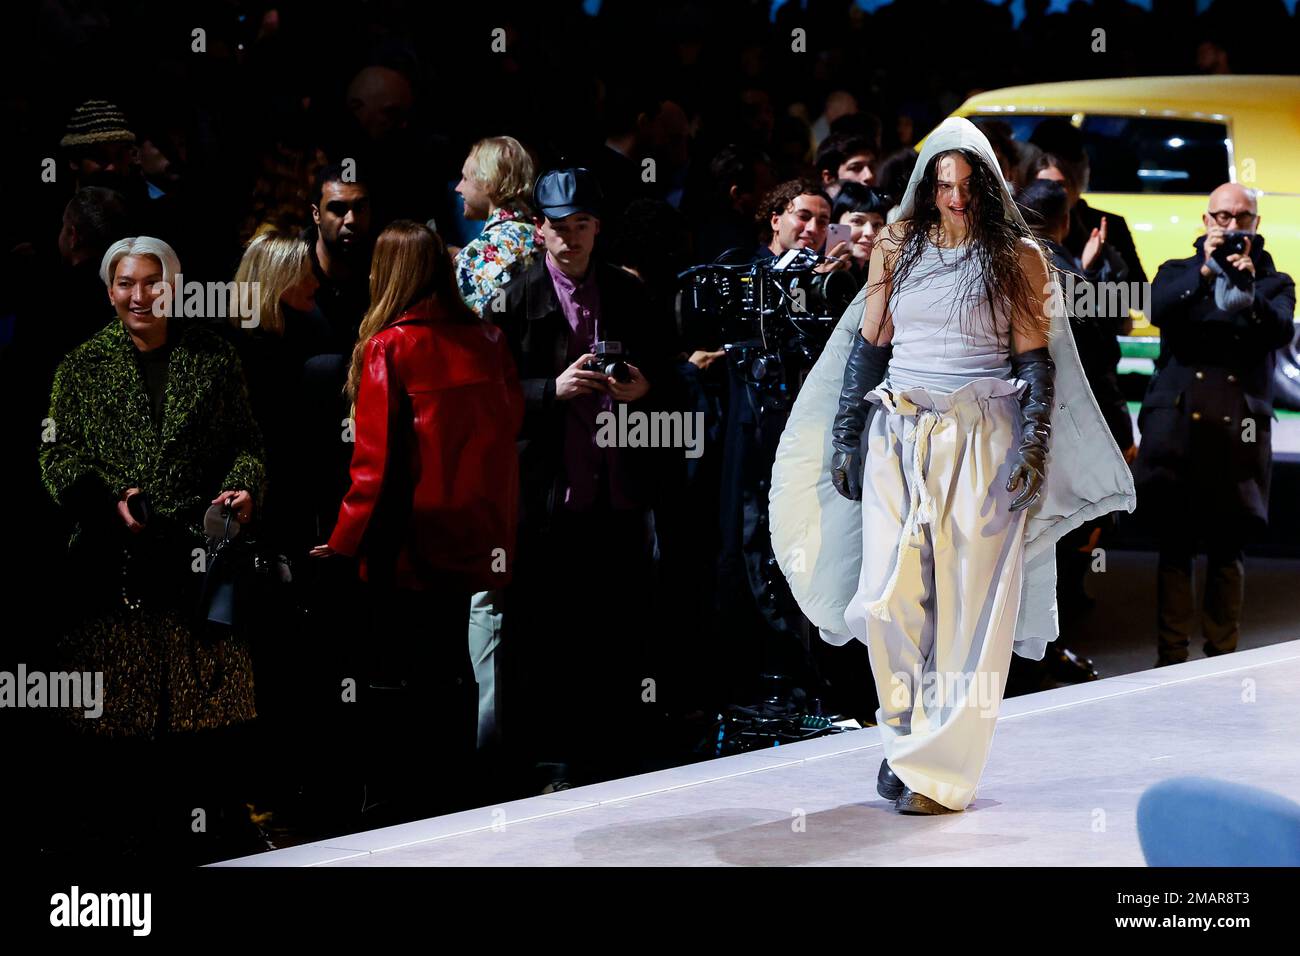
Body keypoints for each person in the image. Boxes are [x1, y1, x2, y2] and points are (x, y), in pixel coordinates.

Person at [768, 118, 1135, 814]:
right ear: (926, 187)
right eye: (944, 186)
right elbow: (869, 343)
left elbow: (1035, 359)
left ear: (989, 186)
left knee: (971, 616)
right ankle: (906, 740)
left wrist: (1030, 445)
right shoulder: (898, 246)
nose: (957, 198)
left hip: (983, 440)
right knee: (886, 602)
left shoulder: (1017, 257)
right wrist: (848, 432)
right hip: (897, 435)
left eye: (968, 186)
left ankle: (939, 773)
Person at [40, 236, 267, 858]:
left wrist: (243, 488)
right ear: (109, 289)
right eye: (125, 283)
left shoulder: (215, 359)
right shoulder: (79, 367)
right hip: (114, 573)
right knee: (119, 732)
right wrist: (105, 500)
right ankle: (124, 855)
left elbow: (246, 444)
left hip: (194, 566)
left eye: (152, 281)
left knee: (204, 732)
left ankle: (210, 840)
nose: (139, 295)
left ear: (176, 285)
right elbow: (55, 456)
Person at [310, 221, 523, 820]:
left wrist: (342, 544)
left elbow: (373, 468)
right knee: (455, 662)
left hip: (407, 541)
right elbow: (507, 429)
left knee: (399, 669)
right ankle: (456, 788)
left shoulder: (388, 347)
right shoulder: (487, 338)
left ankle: (402, 798)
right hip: (475, 534)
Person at [492, 168, 674, 790]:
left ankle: (614, 758)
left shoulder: (629, 292)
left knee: (617, 634)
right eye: (558, 229)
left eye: (581, 227)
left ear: (597, 228)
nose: (570, 240)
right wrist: (550, 389)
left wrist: (647, 389)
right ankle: (549, 763)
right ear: (538, 230)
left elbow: (672, 377)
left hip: (619, 496)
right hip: (550, 501)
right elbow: (486, 401)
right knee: (546, 640)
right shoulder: (515, 298)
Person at [1133, 183, 1296, 667]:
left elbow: (1281, 331)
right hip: (1180, 427)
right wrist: (1205, 271)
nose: (1230, 226)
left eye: (1241, 218)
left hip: (1236, 431)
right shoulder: (1177, 271)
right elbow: (1159, 310)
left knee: (1228, 547)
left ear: (1255, 226)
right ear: (1206, 221)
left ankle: (1223, 659)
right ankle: (1171, 654)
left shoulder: (1273, 282)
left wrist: (1249, 292)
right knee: (1176, 545)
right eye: (1221, 217)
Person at [453, 136, 541, 317]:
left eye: (465, 178)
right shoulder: (548, 239)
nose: (458, 188)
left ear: (489, 183)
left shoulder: (475, 257)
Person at [830, 182, 892, 279]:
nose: (870, 232)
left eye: (877, 225)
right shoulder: (815, 270)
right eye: (857, 221)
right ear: (835, 222)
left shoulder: (883, 274)